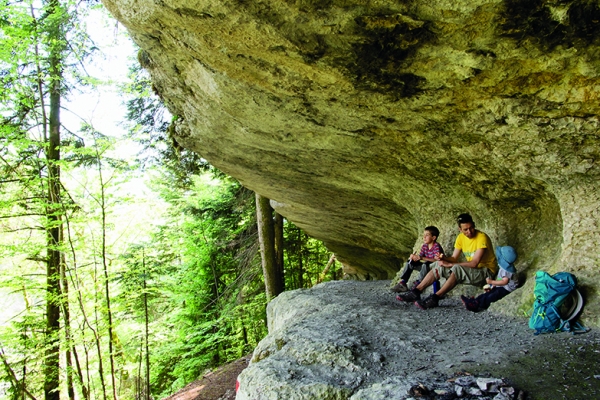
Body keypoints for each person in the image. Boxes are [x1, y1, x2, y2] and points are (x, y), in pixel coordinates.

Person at [396, 213, 497, 310]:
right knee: (438, 265)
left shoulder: (481, 237)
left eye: (471, 228)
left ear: (474, 225)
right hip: (471, 271)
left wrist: (450, 264)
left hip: (486, 272)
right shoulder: (461, 238)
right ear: (460, 229)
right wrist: (443, 258)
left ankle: (435, 298)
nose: (469, 232)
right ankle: (416, 291)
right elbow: (453, 258)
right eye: (465, 229)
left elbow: (474, 263)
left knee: (456, 268)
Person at [461, 245, 518, 312]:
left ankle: (479, 305)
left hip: (506, 288)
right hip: (503, 286)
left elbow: (504, 282)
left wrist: (491, 282)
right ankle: (475, 301)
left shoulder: (506, 271)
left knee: (492, 296)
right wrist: (494, 284)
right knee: (487, 293)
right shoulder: (504, 268)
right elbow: (500, 279)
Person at [391, 226, 444, 293]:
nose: (424, 237)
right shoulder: (425, 246)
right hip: (425, 268)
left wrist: (422, 258)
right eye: (423, 235)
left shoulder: (436, 246)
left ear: (433, 238)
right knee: (410, 262)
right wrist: (414, 257)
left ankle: (418, 282)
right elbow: (420, 257)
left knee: (426, 263)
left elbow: (437, 260)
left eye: (427, 235)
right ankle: (403, 283)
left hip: (433, 268)